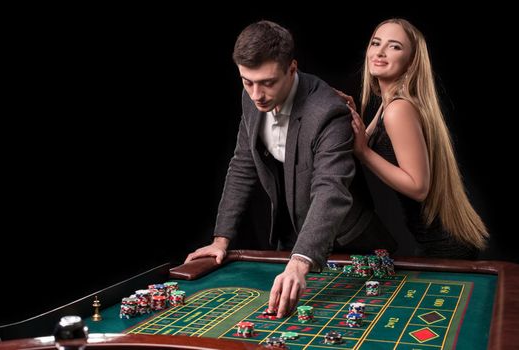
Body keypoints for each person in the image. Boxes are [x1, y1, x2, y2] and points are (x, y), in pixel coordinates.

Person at [185, 20, 397, 318]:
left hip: (351, 244)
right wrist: (221, 239)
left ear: (292, 69)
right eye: (247, 82)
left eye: (267, 82)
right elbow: (243, 164)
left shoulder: (328, 111)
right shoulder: (252, 96)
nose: (256, 94)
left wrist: (300, 261)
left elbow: (330, 189)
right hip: (293, 236)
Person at [336, 18, 488, 259]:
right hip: (432, 240)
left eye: (394, 46)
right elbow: (361, 141)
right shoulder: (388, 105)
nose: (381, 52)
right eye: (376, 43)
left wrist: (365, 153)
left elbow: (419, 188)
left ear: (411, 62)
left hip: (444, 243)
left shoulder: (399, 109)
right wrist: (351, 112)